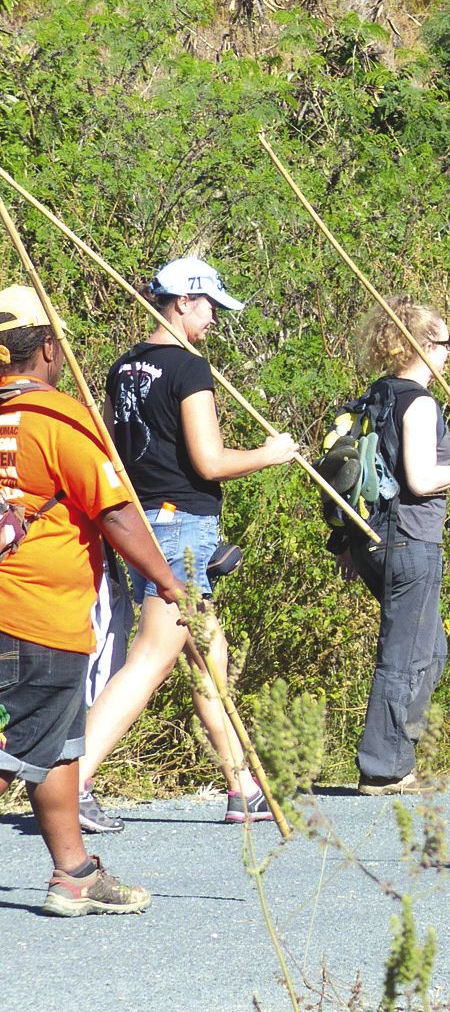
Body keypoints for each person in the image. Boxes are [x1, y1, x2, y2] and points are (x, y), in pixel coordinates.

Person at [78, 257, 298, 831]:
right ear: (183, 301)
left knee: (208, 653)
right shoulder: (189, 369)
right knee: (151, 658)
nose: (216, 318)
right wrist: (270, 455)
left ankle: (239, 784)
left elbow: (114, 450)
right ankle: (72, 776)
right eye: (210, 306)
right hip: (182, 528)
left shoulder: (124, 368)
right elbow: (209, 461)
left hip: (138, 521)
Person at [0, 286, 185, 915]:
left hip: (14, 608)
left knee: (55, 744)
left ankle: (73, 872)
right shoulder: (60, 417)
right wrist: (166, 580)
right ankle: (73, 872)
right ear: (48, 347)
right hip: (37, 613)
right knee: (18, 747)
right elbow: (114, 511)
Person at [342, 298, 450, 794]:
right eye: (447, 344)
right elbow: (421, 479)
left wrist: (345, 542)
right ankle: (384, 767)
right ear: (424, 347)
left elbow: (357, 468)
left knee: (430, 648)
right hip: (411, 539)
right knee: (406, 655)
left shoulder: (376, 396)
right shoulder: (419, 402)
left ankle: (396, 755)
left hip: (372, 539)